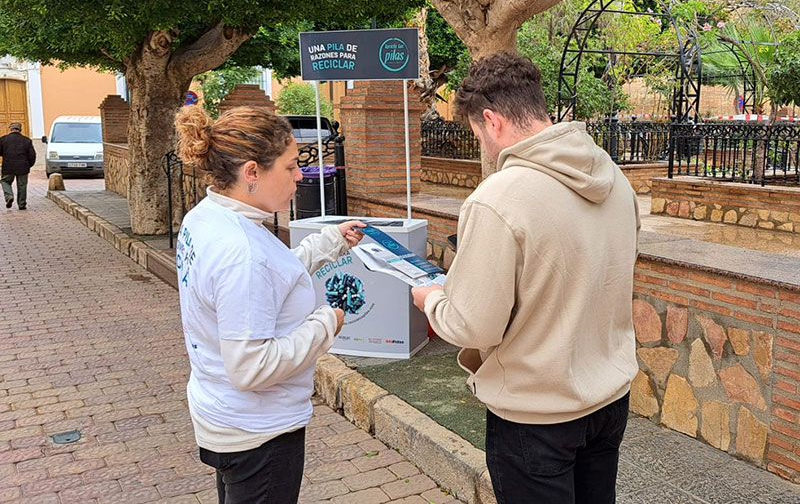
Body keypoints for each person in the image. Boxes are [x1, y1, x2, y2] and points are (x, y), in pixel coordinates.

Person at [411, 52, 640, 504]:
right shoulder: (613, 178)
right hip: (609, 399)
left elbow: (474, 325)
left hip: (536, 414)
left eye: (478, 134)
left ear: (491, 121)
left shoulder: (498, 197)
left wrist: (432, 300)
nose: (483, 146)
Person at [173, 105, 364, 504]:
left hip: (224, 414)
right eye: (292, 167)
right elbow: (252, 366)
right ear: (252, 173)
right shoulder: (242, 252)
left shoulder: (206, 217)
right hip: (258, 432)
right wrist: (326, 322)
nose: (301, 176)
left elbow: (264, 282)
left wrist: (326, 244)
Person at [1, 122, 36, 210]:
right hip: (23, 166)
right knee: (22, 185)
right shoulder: (27, 140)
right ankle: (22, 204)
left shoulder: (3, 139)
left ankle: (9, 196)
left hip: (8, 166)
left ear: (11, 129)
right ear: (20, 130)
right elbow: (32, 155)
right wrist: (29, 165)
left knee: (5, 181)